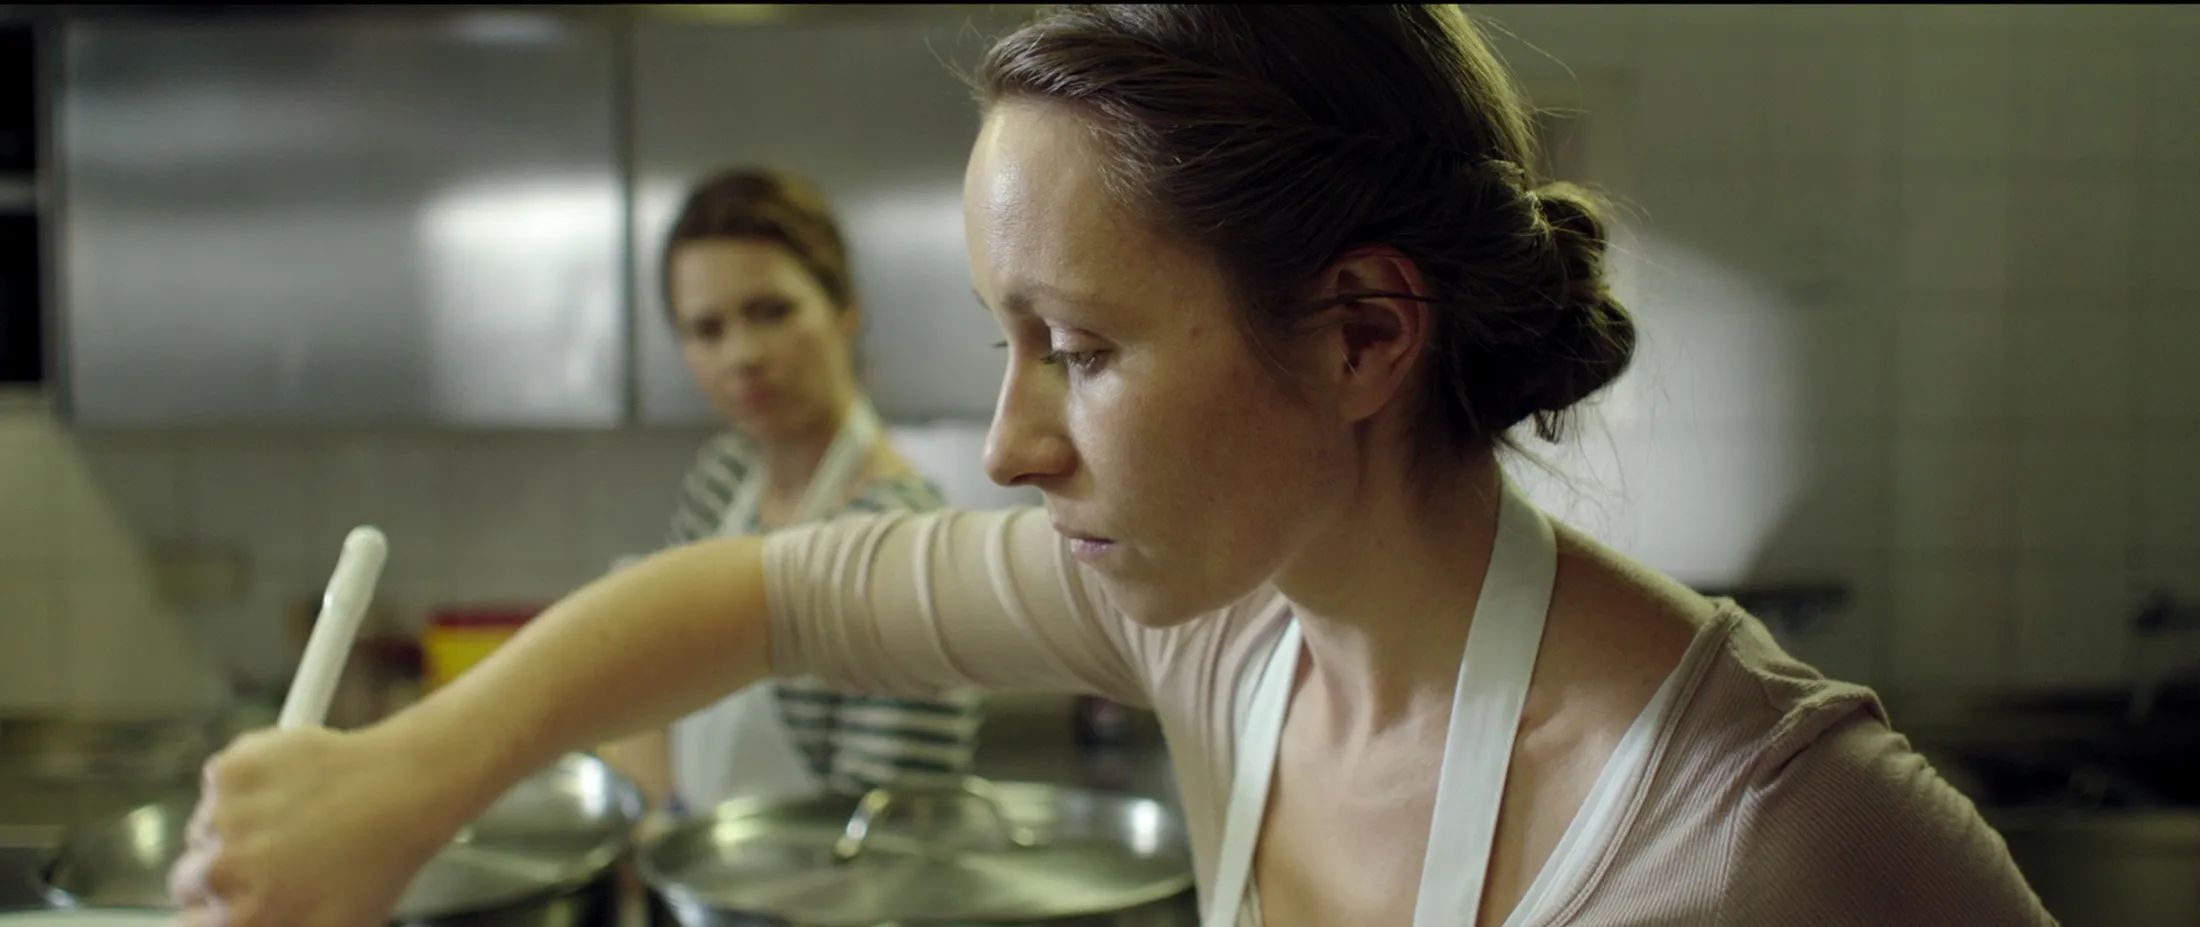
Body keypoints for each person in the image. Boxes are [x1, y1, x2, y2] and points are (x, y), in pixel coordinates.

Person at [167, 7, 2055, 927]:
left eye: (1075, 348)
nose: (1006, 443)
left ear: (1362, 333)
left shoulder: (1780, 831)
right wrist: (401, 779)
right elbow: (763, 592)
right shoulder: (1221, 623)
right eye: (1005, 341)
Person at [596, 167, 985, 817]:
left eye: (771, 312)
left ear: (846, 309)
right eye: (707, 329)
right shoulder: (723, 478)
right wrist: (656, 829)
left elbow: (887, 829)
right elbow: (649, 680)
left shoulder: (905, 545)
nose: (742, 355)